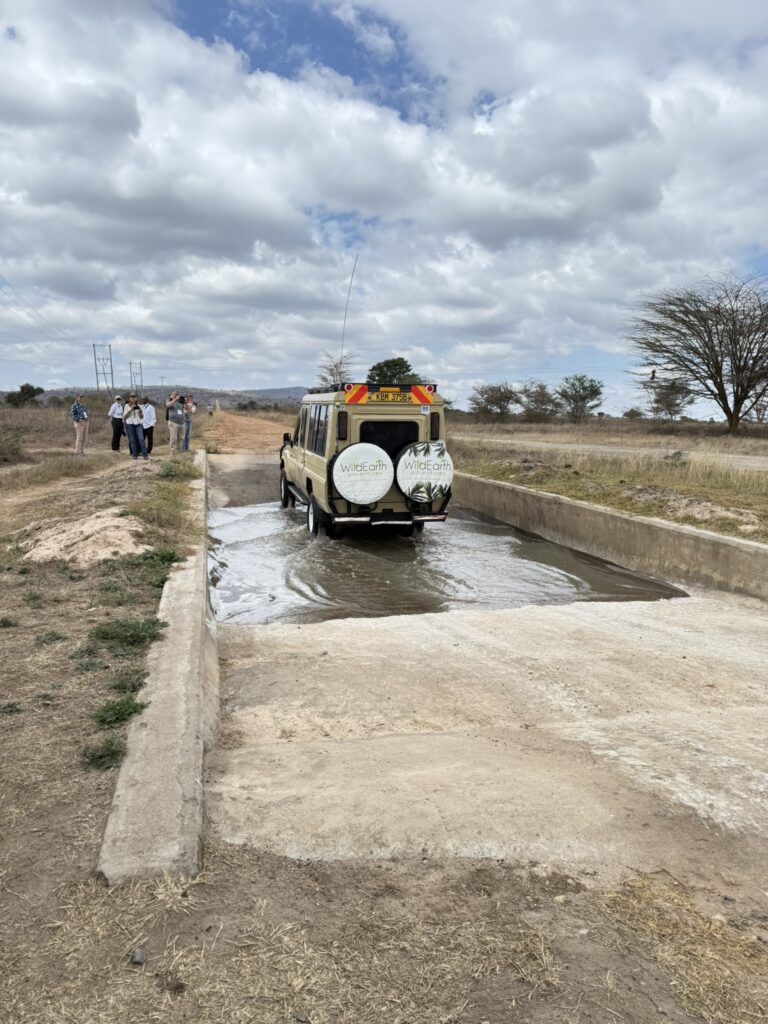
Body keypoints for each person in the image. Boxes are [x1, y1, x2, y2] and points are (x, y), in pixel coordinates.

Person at [122, 393, 149, 461]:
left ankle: (145, 454)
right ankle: (134, 454)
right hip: (130, 424)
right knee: (132, 440)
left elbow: (142, 417)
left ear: (136, 398)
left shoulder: (139, 406)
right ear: (130, 398)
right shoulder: (126, 406)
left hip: (138, 423)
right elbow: (124, 417)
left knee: (141, 439)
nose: (133, 398)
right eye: (132, 397)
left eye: (134, 397)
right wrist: (130, 410)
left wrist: (140, 411)